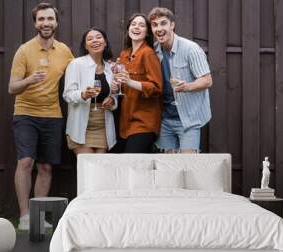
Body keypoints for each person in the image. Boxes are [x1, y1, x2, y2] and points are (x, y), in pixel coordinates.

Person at [8, 3, 74, 230]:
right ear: (35, 23)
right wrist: (29, 80)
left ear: (56, 22)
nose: (45, 23)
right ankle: (25, 216)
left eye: (49, 19)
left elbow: (79, 73)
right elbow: (12, 88)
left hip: (53, 115)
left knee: (46, 167)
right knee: (26, 161)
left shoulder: (64, 51)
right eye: (41, 20)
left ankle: (37, 216)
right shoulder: (24, 50)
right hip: (26, 113)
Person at [148, 7, 213, 153]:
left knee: (187, 165)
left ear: (172, 25)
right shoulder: (153, 51)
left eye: (163, 23)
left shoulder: (191, 49)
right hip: (164, 120)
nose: (159, 28)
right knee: (167, 168)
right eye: (155, 25)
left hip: (188, 119)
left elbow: (207, 80)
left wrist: (187, 87)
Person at [111, 13, 163, 153]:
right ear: (128, 29)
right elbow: (123, 87)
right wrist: (115, 87)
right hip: (125, 122)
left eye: (141, 25)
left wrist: (129, 81)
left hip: (144, 122)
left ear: (147, 33)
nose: (136, 27)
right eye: (133, 24)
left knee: (133, 164)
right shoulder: (124, 54)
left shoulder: (148, 54)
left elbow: (156, 88)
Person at [63, 28, 117, 155]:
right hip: (80, 125)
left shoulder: (110, 68)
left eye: (98, 37)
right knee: (87, 168)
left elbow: (114, 94)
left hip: (103, 124)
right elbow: (67, 94)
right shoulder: (76, 64)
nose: (95, 40)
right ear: (86, 46)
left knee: (98, 169)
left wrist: (112, 100)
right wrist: (82, 95)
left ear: (105, 43)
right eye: (90, 39)